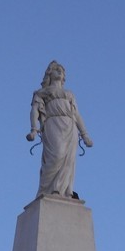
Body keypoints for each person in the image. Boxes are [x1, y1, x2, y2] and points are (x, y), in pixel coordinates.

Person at [26, 61, 93, 198]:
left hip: (70, 126)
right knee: (57, 155)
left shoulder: (69, 94)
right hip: (52, 124)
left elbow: (77, 115)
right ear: (50, 73)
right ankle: (47, 190)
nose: (60, 71)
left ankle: (63, 190)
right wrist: (34, 129)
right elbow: (34, 111)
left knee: (68, 159)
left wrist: (85, 134)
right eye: (56, 69)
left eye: (61, 70)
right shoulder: (41, 93)